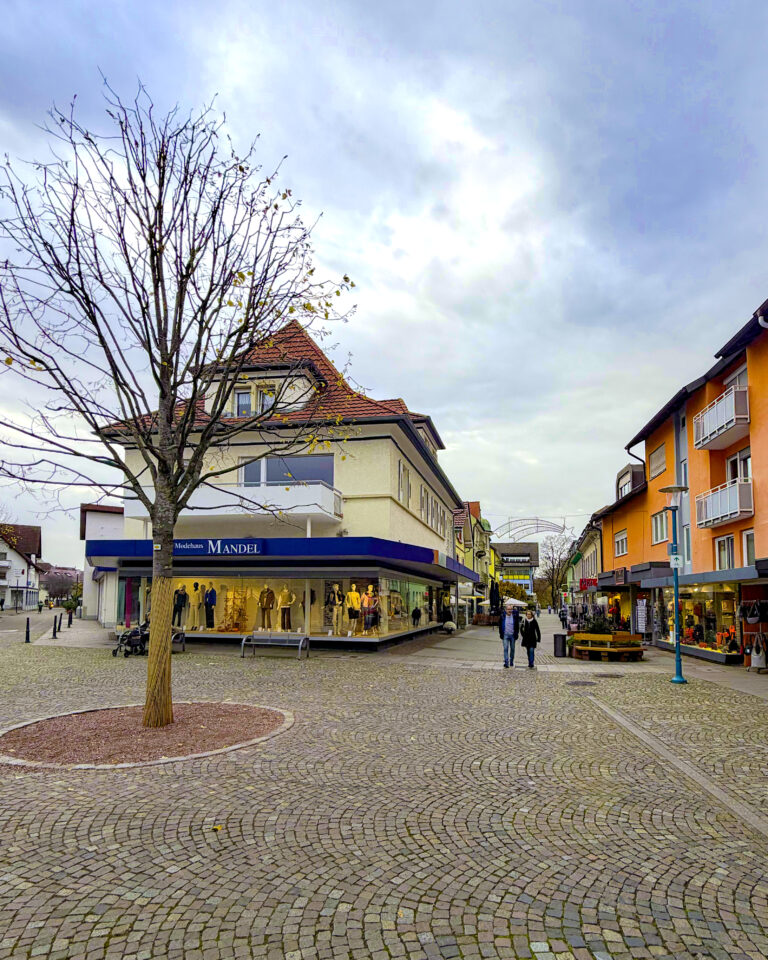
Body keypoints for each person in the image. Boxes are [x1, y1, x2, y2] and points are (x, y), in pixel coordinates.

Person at [497, 599, 520, 668]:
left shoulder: (515, 617)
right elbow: (500, 625)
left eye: (511, 609)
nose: (510, 611)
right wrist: (501, 634)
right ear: (506, 610)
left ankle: (511, 661)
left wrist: (516, 634)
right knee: (505, 648)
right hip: (505, 635)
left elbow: (517, 626)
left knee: (512, 649)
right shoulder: (502, 617)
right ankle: (506, 662)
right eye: (508, 609)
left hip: (512, 635)